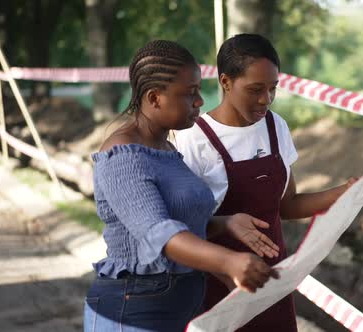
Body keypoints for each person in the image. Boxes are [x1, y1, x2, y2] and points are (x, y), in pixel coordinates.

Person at [83, 40, 280, 332]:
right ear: (154, 98)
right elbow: (159, 233)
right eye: (190, 93)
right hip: (133, 311)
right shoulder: (122, 155)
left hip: (177, 308)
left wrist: (226, 224)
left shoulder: (164, 148)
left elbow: (179, 218)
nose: (200, 101)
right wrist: (228, 262)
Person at [175, 34, 358, 332]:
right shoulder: (193, 139)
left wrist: (346, 193)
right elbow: (181, 226)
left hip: (272, 286)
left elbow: (288, 206)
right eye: (255, 89)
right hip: (217, 290)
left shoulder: (276, 127)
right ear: (225, 81)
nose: (266, 99)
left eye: (273, 89)